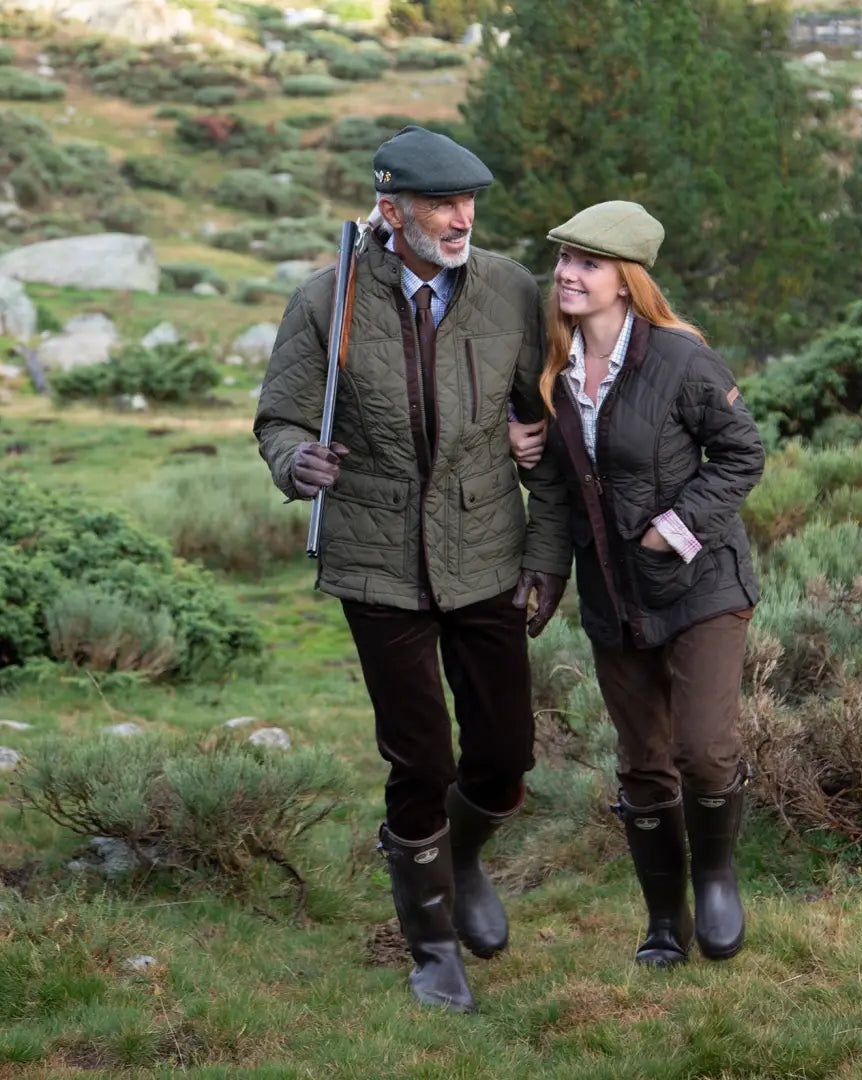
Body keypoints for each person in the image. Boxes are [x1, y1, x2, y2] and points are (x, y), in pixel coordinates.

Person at [254, 126, 571, 1013]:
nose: (461, 217)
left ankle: (462, 860)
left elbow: (544, 437)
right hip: (375, 559)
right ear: (391, 210)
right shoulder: (328, 299)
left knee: (507, 752)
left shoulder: (512, 290)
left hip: (486, 552)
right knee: (421, 756)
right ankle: (432, 946)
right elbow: (279, 419)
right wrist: (295, 463)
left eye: (469, 201)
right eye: (441, 203)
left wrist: (547, 554)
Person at [530, 200, 764, 968]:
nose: (568, 272)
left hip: (702, 585)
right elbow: (559, 489)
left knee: (702, 748)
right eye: (565, 258)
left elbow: (741, 455)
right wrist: (542, 573)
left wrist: (676, 526)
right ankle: (666, 921)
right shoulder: (551, 368)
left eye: (587, 263)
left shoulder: (679, 358)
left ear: (625, 281)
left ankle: (719, 879)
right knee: (643, 762)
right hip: (613, 595)